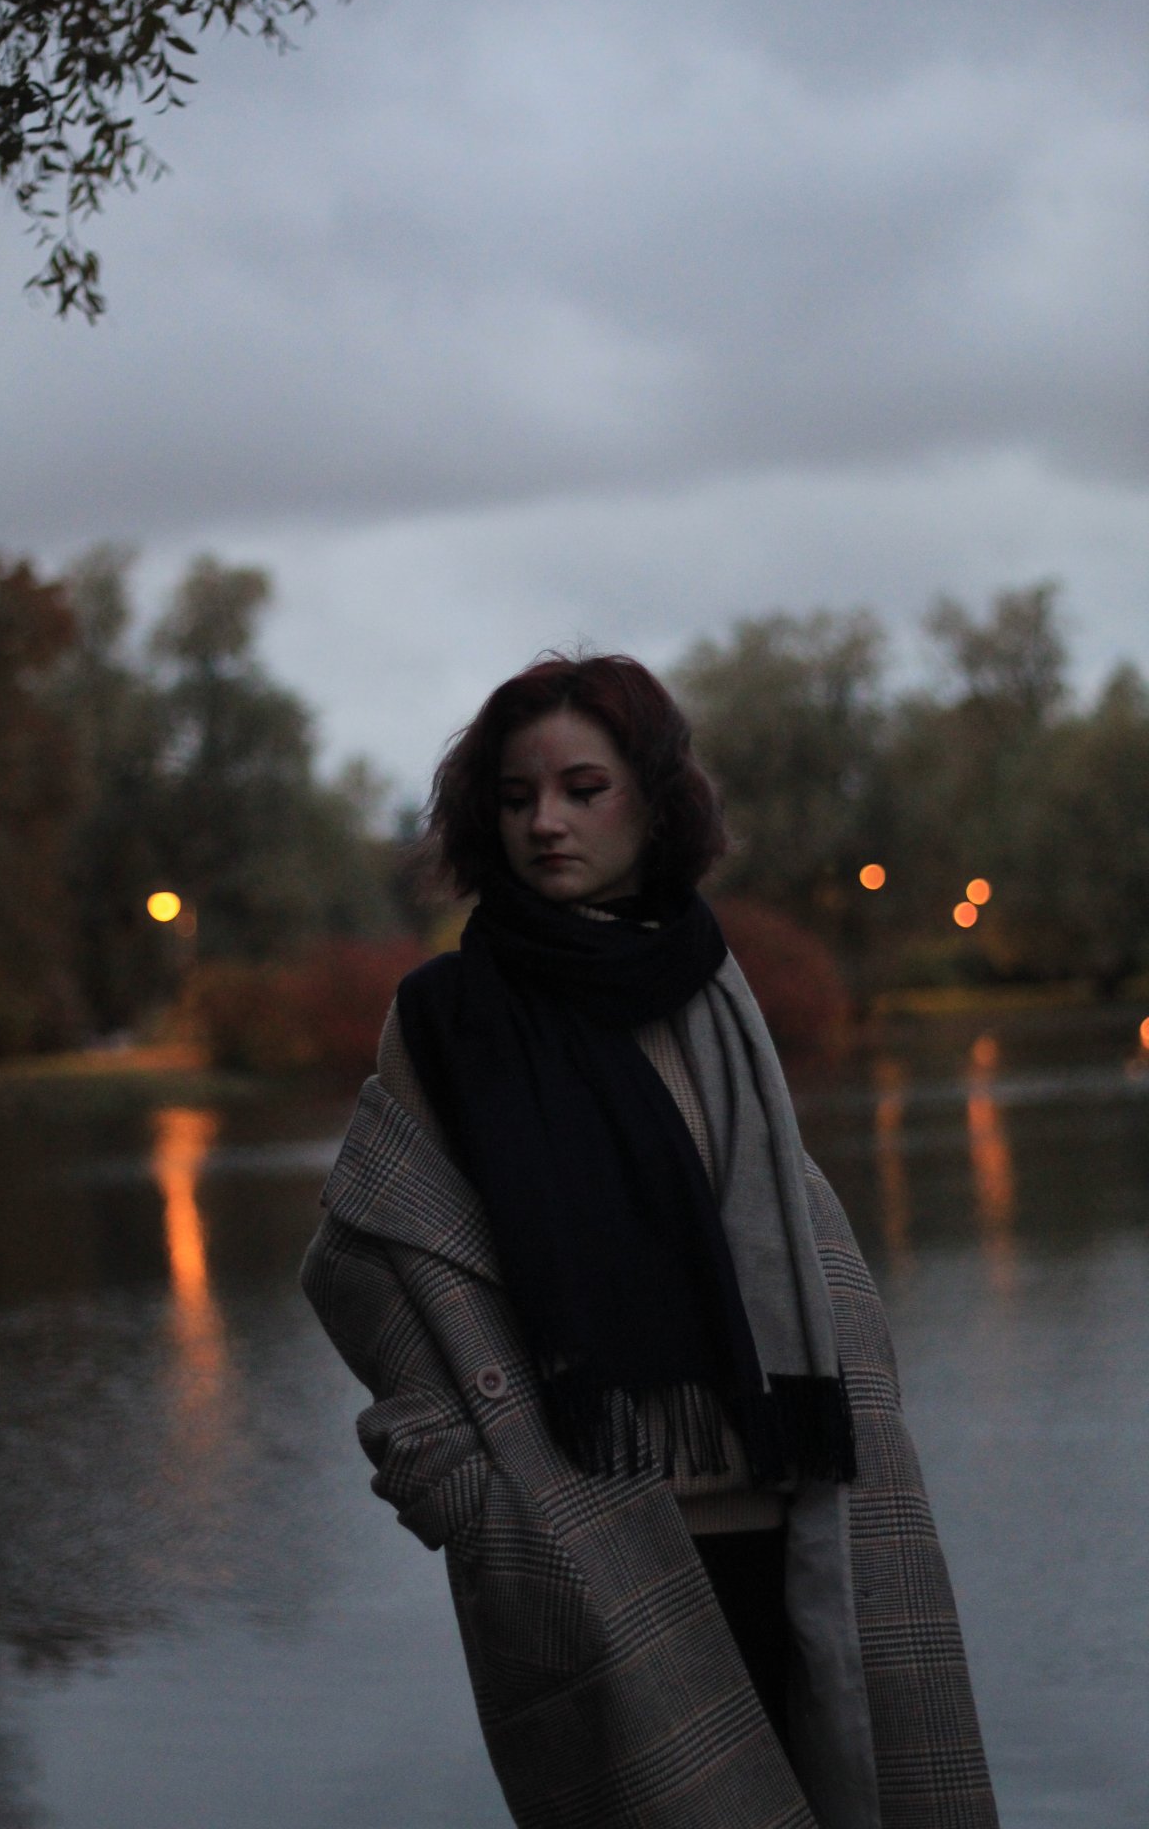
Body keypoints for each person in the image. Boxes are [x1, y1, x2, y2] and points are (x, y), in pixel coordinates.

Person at [301, 653, 998, 1829]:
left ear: (655, 805)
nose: (545, 822)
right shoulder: (445, 1019)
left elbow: (782, 1222)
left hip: (788, 1509)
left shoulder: (708, 987)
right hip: (589, 1532)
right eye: (516, 798)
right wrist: (460, 1491)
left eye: (582, 789)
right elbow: (363, 1255)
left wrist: (855, 1393)